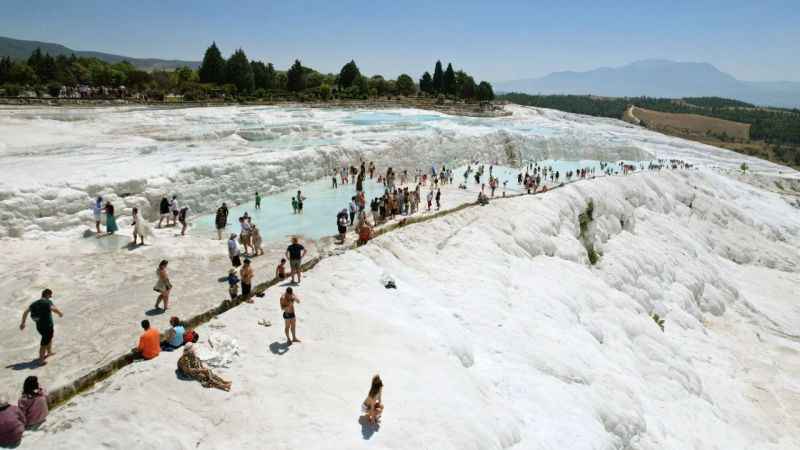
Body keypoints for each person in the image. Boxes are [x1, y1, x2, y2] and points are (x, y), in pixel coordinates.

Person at [19, 289, 63, 365]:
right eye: (50, 295)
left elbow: (25, 312)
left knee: (49, 338)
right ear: (47, 294)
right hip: (47, 326)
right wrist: (60, 313)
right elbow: (53, 309)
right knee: (44, 343)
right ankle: (41, 360)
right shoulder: (47, 302)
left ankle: (49, 352)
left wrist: (23, 323)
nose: (50, 297)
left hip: (39, 327)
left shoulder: (34, 303)